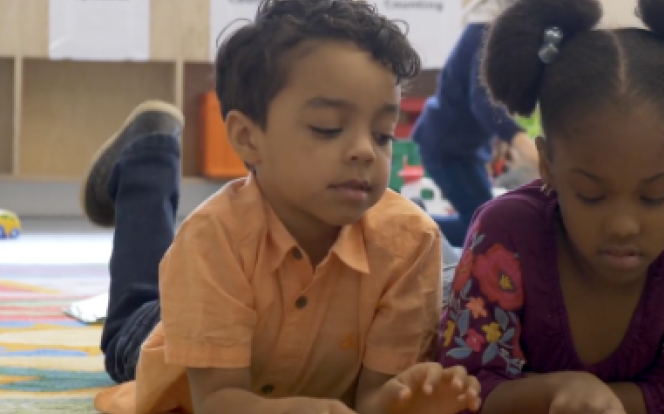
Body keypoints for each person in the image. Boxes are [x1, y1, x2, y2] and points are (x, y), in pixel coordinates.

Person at [85, 1, 480, 413]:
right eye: (327, 128)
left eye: (383, 134)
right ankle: (147, 158)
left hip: (228, 303)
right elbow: (217, 402)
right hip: (187, 340)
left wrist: (405, 400)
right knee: (129, 326)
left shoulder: (411, 243)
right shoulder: (213, 240)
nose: (365, 151)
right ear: (248, 137)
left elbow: (372, 398)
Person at [435, 0, 664, 412]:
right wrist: (560, 390)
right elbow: (467, 390)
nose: (623, 225)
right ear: (548, 164)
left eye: (653, 197)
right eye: (591, 194)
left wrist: (586, 399)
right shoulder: (506, 234)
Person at [410, 0, 539, 245]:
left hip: (461, 147)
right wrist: (519, 139)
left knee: (483, 220)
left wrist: (500, 139)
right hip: (448, 146)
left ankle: (412, 219)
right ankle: (405, 225)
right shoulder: (486, 32)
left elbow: (493, 95)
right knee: (484, 228)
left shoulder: (493, 28)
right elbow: (481, 101)